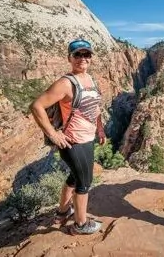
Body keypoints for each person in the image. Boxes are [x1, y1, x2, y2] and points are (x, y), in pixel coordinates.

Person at [30, 39, 106, 235]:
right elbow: (36, 105)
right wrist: (53, 133)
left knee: (74, 176)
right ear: (70, 58)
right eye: (77, 54)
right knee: (84, 182)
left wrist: (100, 129)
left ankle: (63, 212)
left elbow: (94, 108)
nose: (82, 58)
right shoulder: (65, 83)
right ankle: (81, 225)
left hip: (87, 139)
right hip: (72, 142)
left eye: (86, 54)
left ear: (91, 58)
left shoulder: (91, 80)